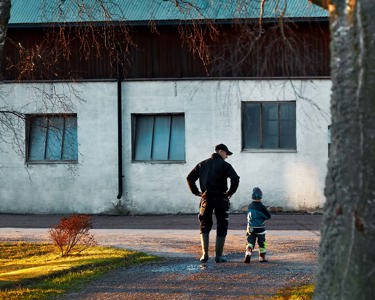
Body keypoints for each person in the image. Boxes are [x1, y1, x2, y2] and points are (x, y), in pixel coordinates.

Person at [187, 144, 240, 263]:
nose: (227, 156)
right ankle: (219, 256)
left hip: (206, 199)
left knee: (204, 224)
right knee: (222, 225)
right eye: (226, 154)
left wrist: (198, 193)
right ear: (220, 151)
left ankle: (205, 255)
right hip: (221, 198)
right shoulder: (225, 165)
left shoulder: (202, 164)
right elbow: (235, 179)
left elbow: (189, 178)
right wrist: (230, 193)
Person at [244, 187, 271, 263]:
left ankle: (248, 252)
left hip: (251, 228)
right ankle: (262, 257)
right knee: (262, 242)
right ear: (261, 197)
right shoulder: (262, 207)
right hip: (260, 228)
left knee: (250, 242)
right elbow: (268, 216)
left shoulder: (249, 206)